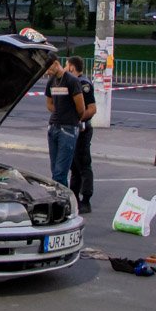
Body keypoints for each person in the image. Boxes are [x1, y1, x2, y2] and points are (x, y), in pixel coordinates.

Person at [44, 54, 85, 185]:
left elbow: (81, 108)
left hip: (68, 128)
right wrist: (58, 111)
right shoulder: (51, 82)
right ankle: (61, 200)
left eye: (49, 68)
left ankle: (61, 201)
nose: (47, 72)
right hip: (54, 127)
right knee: (55, 169)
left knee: (60, 173)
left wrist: (70, 116)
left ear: (56, 64)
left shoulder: (72, 81)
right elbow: (49, 104)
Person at [66, 56, 96, 214]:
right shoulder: (70, 82)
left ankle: (86, 199)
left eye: (66, 66)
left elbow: (91, 108)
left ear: (71, 67)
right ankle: (75, 197)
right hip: (71, 129)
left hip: (82, 129)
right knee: (74, 166)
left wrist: (78, 118)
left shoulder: (83, 83)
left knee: (83, 164)